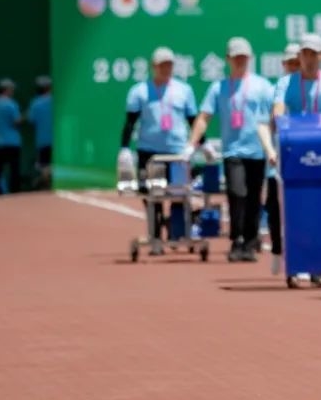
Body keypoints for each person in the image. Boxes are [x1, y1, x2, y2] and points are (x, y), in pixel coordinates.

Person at [273, 33, 321, 287]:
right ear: (299, 56)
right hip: (297, 156)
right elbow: (278, 114)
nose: (309, 58)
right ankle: (297, 266)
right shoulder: (286, 84)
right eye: (305, 53)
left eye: (314, 53)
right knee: (299, 213)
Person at [187, 37, 276, 263]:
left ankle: (250, 240)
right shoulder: (219, 88)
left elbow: (274, 116)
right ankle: (236, 238)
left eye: (244, 58)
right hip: (232, 151)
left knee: (255, 197)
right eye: (236, 58)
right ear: (228, 59)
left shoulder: (263, 86)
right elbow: (204, 116)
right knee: (237, 193)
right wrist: (192, 144)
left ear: (250, 58)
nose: (240, 61)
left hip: (258, 151)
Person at [117, 47, 200, 255]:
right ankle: (155, 238)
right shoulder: (139, 91)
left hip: (177, 152)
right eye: (162, 64)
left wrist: (199, 144)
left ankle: (176, 233)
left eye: (170, 64)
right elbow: (130, 122)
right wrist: (125, 148)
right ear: (153, 66)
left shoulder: (184, 90)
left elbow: (193, 120)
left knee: (179, 194)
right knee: (152, 195)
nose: (166, 68)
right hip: (149, 152)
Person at [263, 43, 300, 275]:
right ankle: (277, 250)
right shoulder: (279, 87)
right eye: (290, 63)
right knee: (274, 210)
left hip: (305, 159)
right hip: (280, 159)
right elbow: (270, 122)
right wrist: (270, 150)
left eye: (297, 62)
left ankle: (303, 258)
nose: (294, 67)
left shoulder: (315, 86)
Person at [27, 76, 53, 189]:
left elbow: (31, 120)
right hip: (56, 141)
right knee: (48, 166)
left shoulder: (35, 103)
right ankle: (45, 184)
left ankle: (43, 183)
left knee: (44, 166)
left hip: (42, 140)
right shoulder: (56, 100)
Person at [0, 78, 21, 195]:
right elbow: (16, 121)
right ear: (7, 90)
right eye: (11, 90)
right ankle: (14, 194)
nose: (12, 92)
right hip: (12, 142)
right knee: (14, 170)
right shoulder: (11, 104)